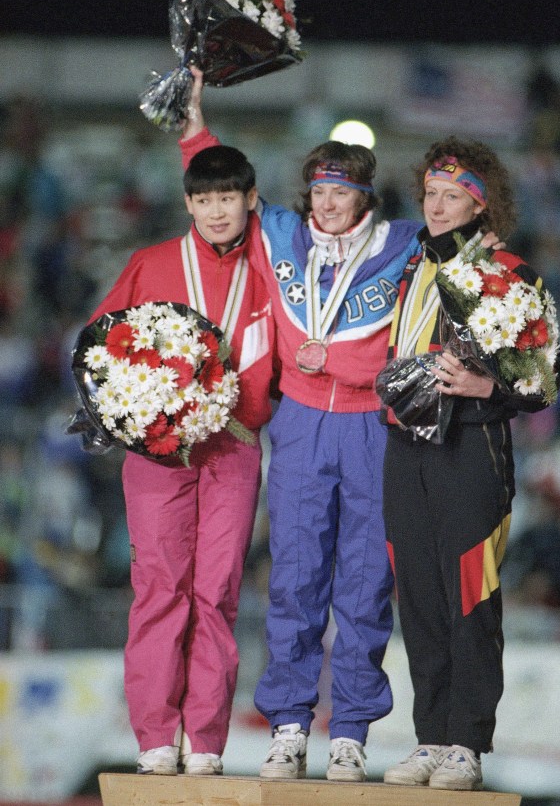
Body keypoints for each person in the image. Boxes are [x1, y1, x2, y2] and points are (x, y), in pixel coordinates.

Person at [180, 74, 503, 782]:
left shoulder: (401, 243)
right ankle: (290, 724)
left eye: (343, 192)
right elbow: (221, 188)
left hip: (370, 427)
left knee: (364, 582)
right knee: (295, 577)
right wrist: (192, 128)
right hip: (297, 423)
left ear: (365, 197)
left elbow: (466, 237)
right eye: (320, 191)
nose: (329, 204)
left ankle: (350, 729)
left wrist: (490, 232)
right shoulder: (283, 234)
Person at [380, 138, 560, 791]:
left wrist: (490, 388)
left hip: (472, 451)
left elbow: (547, 376)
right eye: (429, 194)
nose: (435, 206)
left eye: (451, 196)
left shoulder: (511, 273)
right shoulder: (411, 269)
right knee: (422, 602)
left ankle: (467, 742)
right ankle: (430, 736)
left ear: (481, 205)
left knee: (470, 599)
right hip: (406, 451)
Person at [87, 141, 277, 776]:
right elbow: (99, 352)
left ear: (250, 200)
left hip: (235, 448)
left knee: (217, 592)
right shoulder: (151, 262)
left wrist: (198, 128)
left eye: (228, 197)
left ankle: (206, 741)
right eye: (203, 198)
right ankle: (154, 737)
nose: (216, 210)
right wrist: (129, 417)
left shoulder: (270, 265)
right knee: (160, 587)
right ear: (187, 201)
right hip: (159, 453)